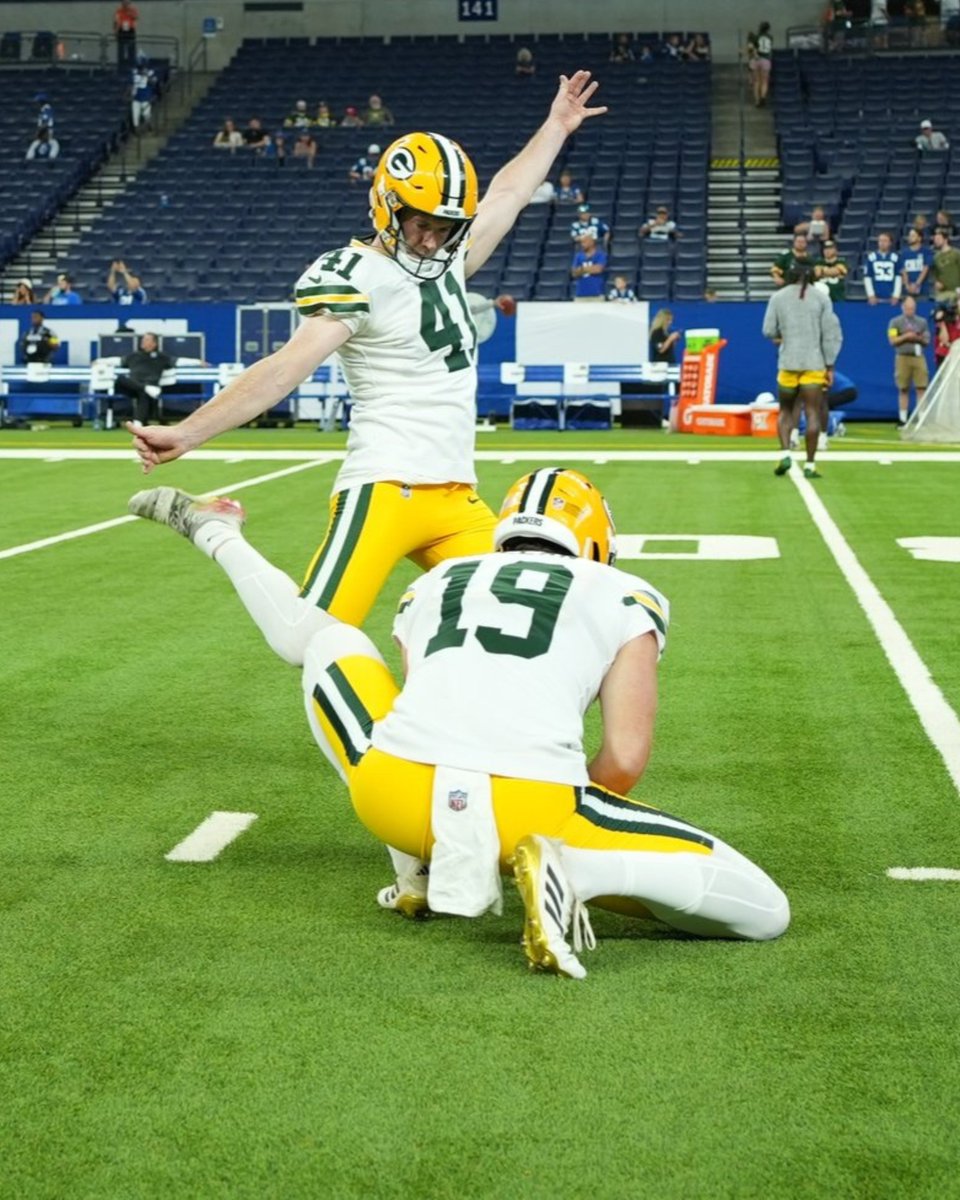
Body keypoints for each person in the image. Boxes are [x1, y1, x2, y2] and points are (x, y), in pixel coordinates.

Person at [127, 468, 790, 978]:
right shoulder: (625, 593)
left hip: (393, 795)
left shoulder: (439, 583)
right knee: (764, 911)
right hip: (531, 805)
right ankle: (576, 871)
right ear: (593, 541)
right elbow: (623, 755)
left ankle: (415, 873)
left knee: (330, 644)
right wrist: (543, 825)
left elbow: (428, 706)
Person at [126, 72, 608, 637]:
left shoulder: (449, 259)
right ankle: (214, 528)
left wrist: (556, 126)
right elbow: (285, 368)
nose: (432, 239)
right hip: (385, 486)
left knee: (525, 624)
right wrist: (189, 433)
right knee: (303, 638)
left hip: (455, 494)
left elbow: (507, 192)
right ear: (388, 205)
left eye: (444, 227)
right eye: (421, 224)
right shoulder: (357, 275)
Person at [762, 263, 842, 479]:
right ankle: (810, 464)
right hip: (813, 362)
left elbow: (768, 330)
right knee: (813, 412)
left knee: (786, 410)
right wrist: (830, 364)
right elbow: (832, 334)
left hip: (788, 361)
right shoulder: (821, 298)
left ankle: (786, 452)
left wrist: (783, 337)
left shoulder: (778, 297)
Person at [101, 331, 204, 424]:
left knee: (143, 394)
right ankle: (144, 389)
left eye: (146, 340)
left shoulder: (161, 357)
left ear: (154, 343)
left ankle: (138, 423)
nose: (143, 342)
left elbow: (178, 361)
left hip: (149, 388)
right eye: (143, 339)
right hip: (133, 387)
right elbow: (117, 361)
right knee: (120, 379)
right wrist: (100, 361)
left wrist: (198, 362)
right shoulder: (134, 356)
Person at [887, 295, 930, 428]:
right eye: (908, 308)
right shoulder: (895, 322)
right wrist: (906, 336)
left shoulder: (922, 322)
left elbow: (926, 340)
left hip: (918, 356)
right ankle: (903, 418)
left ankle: (922, 417)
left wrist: (917, 338)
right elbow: (892, 340)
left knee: (921, 387)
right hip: (902, 356)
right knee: (903, 387)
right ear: (903, 307)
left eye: (912, 308)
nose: (910, 311)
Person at [863, 232, 901, 306]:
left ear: (890, 243)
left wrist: (896, 295)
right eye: (880, 241)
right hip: (875, 297)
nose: (882, 243)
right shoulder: (871, 257)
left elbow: (898, 277)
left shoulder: (895, 258)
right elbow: (867, 277)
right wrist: (871, 294)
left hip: (891, 296)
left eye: (885, 241)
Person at [570, 233, 607, 301]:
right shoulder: (578, 256)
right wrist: (591, 268)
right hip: (580, 295)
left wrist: (581, 269)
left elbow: (598, 269)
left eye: (584, 242)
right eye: (581, 242)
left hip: (597, 294)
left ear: (592, 242)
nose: (582, 244)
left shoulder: (600, 255)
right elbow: (574, 273)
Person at [931, 227, 960, 305]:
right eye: (935, 239)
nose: (936, 241)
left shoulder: (956, 254)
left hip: (956, 292)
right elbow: (934, 274)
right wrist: (936, 282)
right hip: (942, 293)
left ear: (945, 239)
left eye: (938, 239)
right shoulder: (936, 257)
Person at [900, 228, 932, 297]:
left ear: (919, 238)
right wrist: (907, 285)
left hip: (923, 289)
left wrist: (917, 284)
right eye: (909, 236)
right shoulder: (904, 253)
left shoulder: (926, 252)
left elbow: (925, 269)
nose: (910, 238)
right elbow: (903, 270)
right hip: (907, 290)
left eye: (913, 236)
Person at [130, 53, 157, 131]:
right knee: (135, 114)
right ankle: (136, 128)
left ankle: (148, 125)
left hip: (145, 96)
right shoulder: (134, 72)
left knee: (146, 114)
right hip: (136, 97)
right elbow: (131, 84)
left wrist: (146, 76)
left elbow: (154, 82)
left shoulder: (150, 72)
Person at [113, 0, 138, 70]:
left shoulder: (133, 10)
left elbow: (135, 17)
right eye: (124, 3)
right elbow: (116, 21)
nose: (126, 5)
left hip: (130, 30)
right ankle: (121, 66)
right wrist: (115, 32)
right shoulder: (119, 11)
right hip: (122, 30)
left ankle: (132, 65)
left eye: (127, 3)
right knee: (121, 49)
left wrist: (129, 12)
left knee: (131, 49)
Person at [753, 22, 773, 107]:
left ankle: (757, 101)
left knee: (757, 81)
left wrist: (756, 55)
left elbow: (754, 49)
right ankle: (763, 97)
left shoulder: (756, 37)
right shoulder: (770, 37)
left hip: (757, 59)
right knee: (765, 81)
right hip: (766, 60)